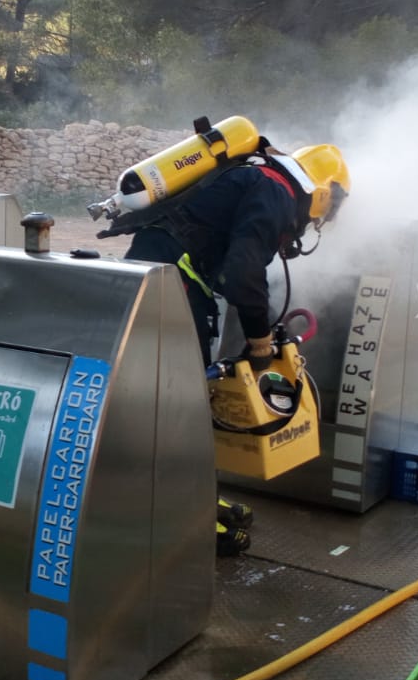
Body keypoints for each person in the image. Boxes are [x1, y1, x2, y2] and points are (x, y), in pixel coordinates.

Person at [104, 135, 351, 556]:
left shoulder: (259, 177)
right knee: (180, 407)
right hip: (175, 281)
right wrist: (259, 340)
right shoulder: (276, 192)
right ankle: (187, 520)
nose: (320, 219)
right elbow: (242, 273)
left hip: (166, 272)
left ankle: (198, 496)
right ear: (324, 191)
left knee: (178, 402)